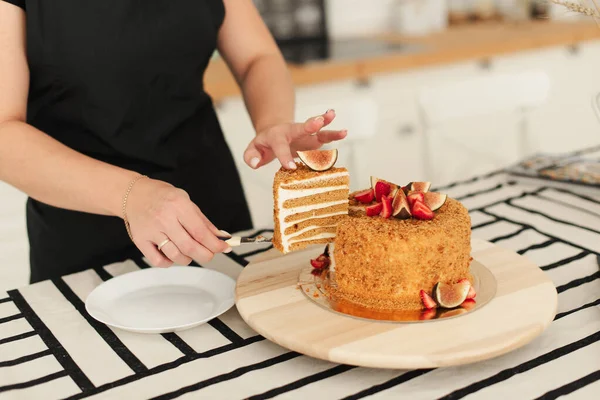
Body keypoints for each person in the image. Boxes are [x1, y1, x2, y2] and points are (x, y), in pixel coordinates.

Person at [0, 0, 347, 283]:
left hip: (214, 225)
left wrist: (271, 121)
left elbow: (259, 56)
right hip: (83, 240)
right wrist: (131, 194)